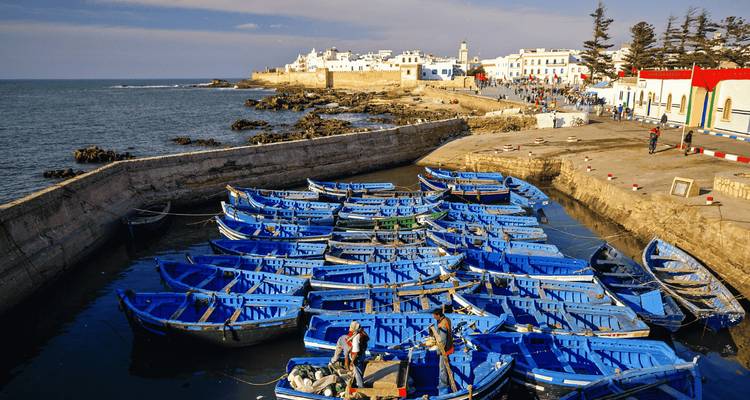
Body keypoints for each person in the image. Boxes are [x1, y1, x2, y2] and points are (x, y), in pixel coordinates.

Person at [330, 321, 368, 388]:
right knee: (336, 357)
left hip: (358, 354)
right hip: (344, 344)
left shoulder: (357, 339)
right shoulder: (360, 336)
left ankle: (360, 387)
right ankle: (332, 362)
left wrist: (352, 362)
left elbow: (355, 354)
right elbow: (347, 358)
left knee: (357, 370)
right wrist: (348, 370)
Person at [431, 309, 454, 396]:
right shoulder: (447, 319)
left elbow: (443, 340)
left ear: (438, 315)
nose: (433, 317)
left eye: (434, 316)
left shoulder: (442, 324)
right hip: (450, 346)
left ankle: (443, 385)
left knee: (442, 368)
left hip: (445, 349)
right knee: (443, 367)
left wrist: (439, 351)